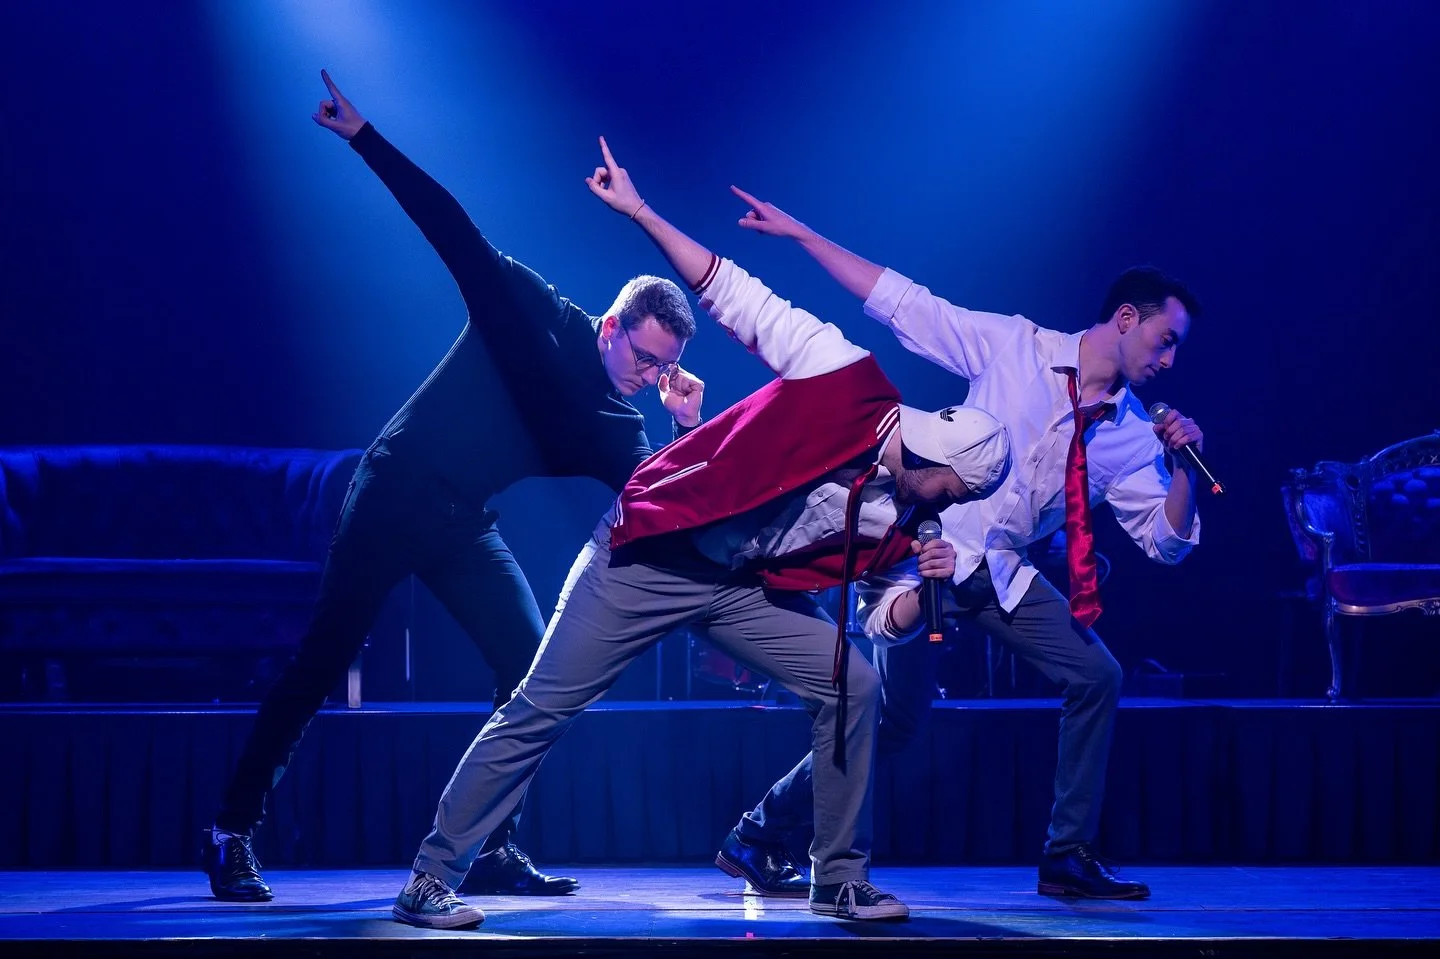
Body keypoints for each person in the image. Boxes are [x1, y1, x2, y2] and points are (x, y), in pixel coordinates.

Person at [386, 138, 1011, 930]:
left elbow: (884, 622)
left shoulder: (913, 517)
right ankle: (429, 876)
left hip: (739, 590)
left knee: (855, 680)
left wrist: (924, 584)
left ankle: (839, 877)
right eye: (954, 489)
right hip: (649, 551)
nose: (950, 504)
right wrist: (640, 210)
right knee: (541, 705)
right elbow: (732, 292)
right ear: (938, 453)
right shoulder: (844, 373)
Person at [201, 72, 706, 903]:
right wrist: (362, 135)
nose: (649, 377)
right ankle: (230, 831)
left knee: (529, 661)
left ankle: (491, 844)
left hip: (462, 520)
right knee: (322, 662)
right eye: (642, 357)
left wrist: (689, 424)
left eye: (664, 367)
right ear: (611, 327)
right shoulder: (533, 310)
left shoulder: (621, 422)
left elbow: (668, 500)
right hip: (395, 489)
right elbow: (450, 225)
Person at [710, 188, 1207, 901]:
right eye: (1166, 339)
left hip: (1000, 572)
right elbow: (902, 301)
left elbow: (1165, 541)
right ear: (1127, 318)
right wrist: (800, 235)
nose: (1168, 360)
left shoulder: (1129, 432)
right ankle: (761, 831)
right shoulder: (1016, 345)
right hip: (923, 553)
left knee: (1097, 675)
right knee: (896, 719)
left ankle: (1067, 855)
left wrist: (1184, 466)